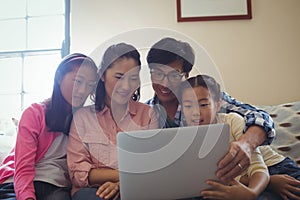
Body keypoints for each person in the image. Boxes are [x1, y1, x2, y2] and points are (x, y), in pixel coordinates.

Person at [146, 37, 276, 182]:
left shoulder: (205, 96)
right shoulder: (145, 114)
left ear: (186, 75)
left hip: (260, 169)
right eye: (157, 73)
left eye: (174, 75)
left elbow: (260, 117)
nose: (165, 83)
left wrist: (246, 144)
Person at [180, 74, 300, 200]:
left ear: (218, 105)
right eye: (188, 106)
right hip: (243, 180)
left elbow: (258, 167)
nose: (196, 112)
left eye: (203, 105)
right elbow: (216, 177)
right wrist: (268, 183)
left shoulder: (232, 121)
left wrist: (251, 193)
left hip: (273, 168)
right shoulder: (186, 137)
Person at [0, 53, 99, 200]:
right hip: (17, 183)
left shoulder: (85, 120)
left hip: (57, 188)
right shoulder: (34, 113)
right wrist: (27, 197)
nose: (83, 90)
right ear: (59, 78)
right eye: (78, 81)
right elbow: (23, 168)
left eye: (90, 85)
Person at [67, 43, 158, 200]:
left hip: (137, 189)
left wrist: (121, 185)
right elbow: (77, 171)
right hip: (93, 192)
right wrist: (122, 176)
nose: (126, 86)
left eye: (133, 78)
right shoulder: (82, 117)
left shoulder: (148, 114)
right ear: (102, 75)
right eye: (119, 77)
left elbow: (151, 165)